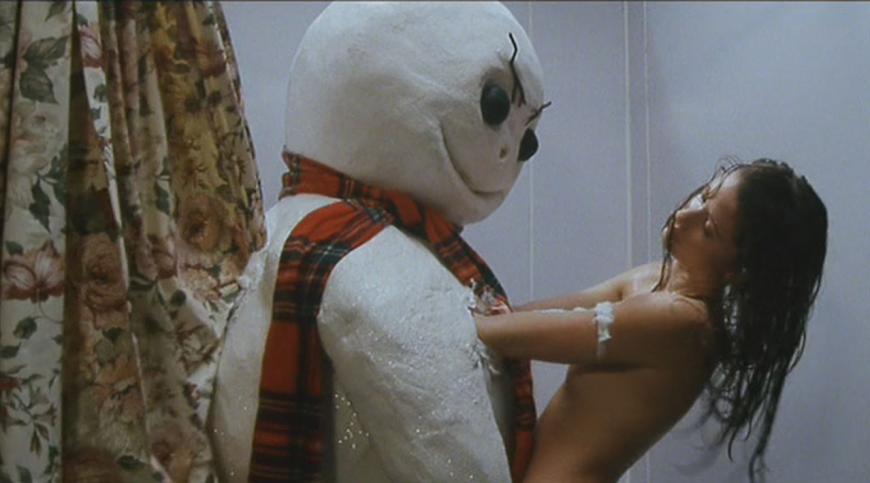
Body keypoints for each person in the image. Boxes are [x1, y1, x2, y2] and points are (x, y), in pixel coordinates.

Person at [475, 158, 828, 483]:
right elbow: (517, 318)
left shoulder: (684, 322)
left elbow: (501, 334)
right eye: (705, 195)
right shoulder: (652, 278)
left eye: (708, 228)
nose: (684, 215)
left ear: (739, 271)